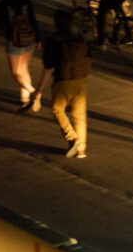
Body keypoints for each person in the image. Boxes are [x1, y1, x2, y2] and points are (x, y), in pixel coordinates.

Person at [31, 9, 91, 157]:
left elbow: (47, 68)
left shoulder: (54, 41)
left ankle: (73, 138)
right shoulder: (78, 39)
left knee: (58, 109)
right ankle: (81, 150)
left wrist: (38, 92)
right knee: (79, 115)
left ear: (56, 23)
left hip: (63, 82)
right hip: (81, 80)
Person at [0, 0, 41, 110]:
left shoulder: (3, 5)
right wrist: (38, 39)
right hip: (30, 39)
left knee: (16, 73)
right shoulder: (27, 3)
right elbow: (33, 21)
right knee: (24, 69)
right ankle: (24, 98)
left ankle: (33, 92)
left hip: (14, 41)